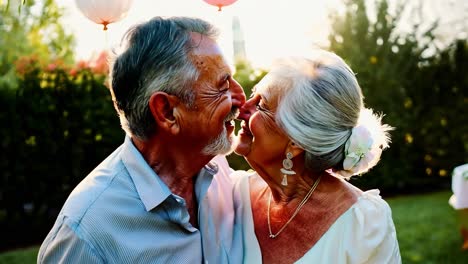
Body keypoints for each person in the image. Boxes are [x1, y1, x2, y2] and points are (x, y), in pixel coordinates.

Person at [38, 16, 246, 263]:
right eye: (222, 86)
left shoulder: (215, 169)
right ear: (167, 112)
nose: (240, 97)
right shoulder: (85, 236)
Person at [232, 50, 401, 263]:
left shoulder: (364, 226)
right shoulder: (230, 195)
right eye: (252, 94)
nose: (242, 109)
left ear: (296, 141)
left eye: (262, 106)